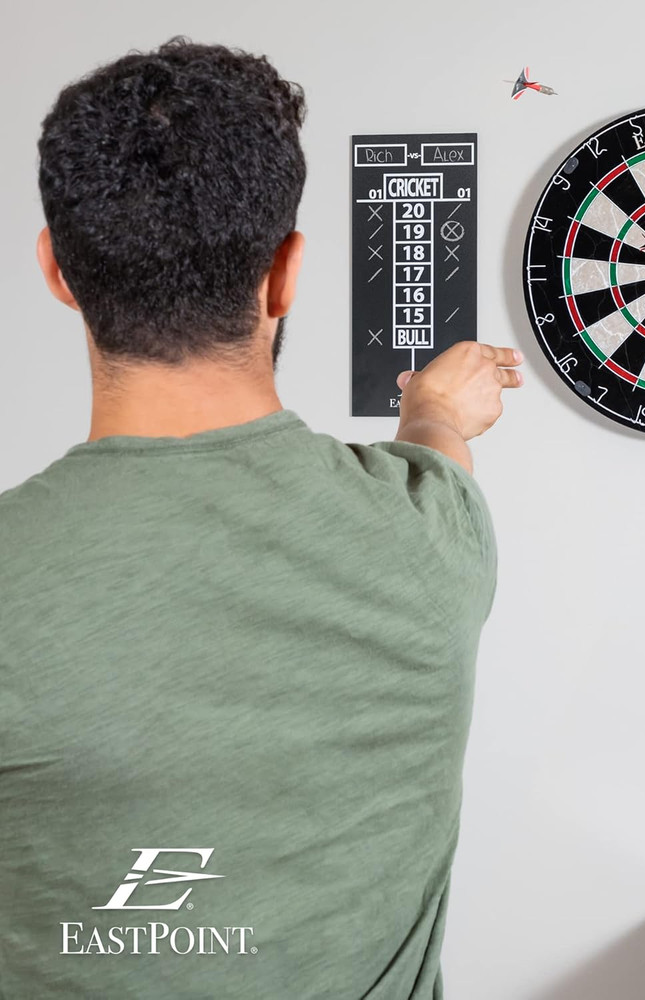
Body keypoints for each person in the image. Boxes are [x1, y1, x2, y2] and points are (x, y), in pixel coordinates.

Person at [0, 37, 521, 999]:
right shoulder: (431, 540)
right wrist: (438, 410)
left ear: (57, 271)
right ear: (285, 275)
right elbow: (438, 446)